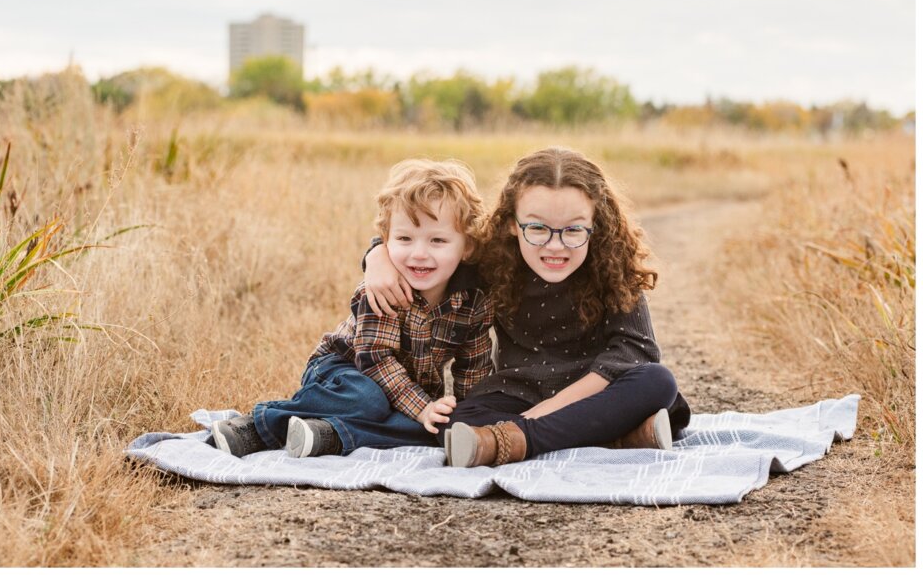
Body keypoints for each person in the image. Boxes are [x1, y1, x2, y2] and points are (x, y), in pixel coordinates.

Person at [364, 147, 690, 467]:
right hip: (517, 393)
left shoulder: (613, 265)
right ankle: (620, 438)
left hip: (597, 395)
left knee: (657, 382)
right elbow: (432, 252)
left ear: (597, 225)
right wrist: (376, 255)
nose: (555, 245)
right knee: (454, 422)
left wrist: (546, 413)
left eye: (574, 229)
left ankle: (519, 440)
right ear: (510, 223)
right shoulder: (493, 259)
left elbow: (635, 351)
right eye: (536, 228)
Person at [211, 158, 495, 460]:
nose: (419, 254)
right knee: (368, 400)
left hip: (400, 388)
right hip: (343, 371)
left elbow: (474, 367)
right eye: (404, 239)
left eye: (438, 240)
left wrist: (468, 417)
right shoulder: (384, 288)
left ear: (467, 246)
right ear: (385, 240)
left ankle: (328, 435)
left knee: (437, 428)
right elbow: (375, 360)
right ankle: (260, 424)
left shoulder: (473, 300)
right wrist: (421, 406)